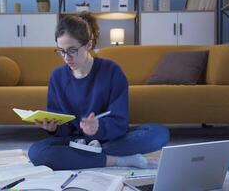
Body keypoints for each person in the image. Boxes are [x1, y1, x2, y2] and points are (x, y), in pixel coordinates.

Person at [28, 12, 169, 170]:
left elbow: (120, 122)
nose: (66, 57)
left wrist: (98, 128)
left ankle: (83, 156)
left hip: (108, 139)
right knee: (37, 152)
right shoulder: (57, 77)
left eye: (72, 50)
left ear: (88, 44)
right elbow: (63, 128)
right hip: (74, 141)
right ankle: (117, 160)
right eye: (61, 51)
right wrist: (54, 128)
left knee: (158, 133)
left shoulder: (112, 71)